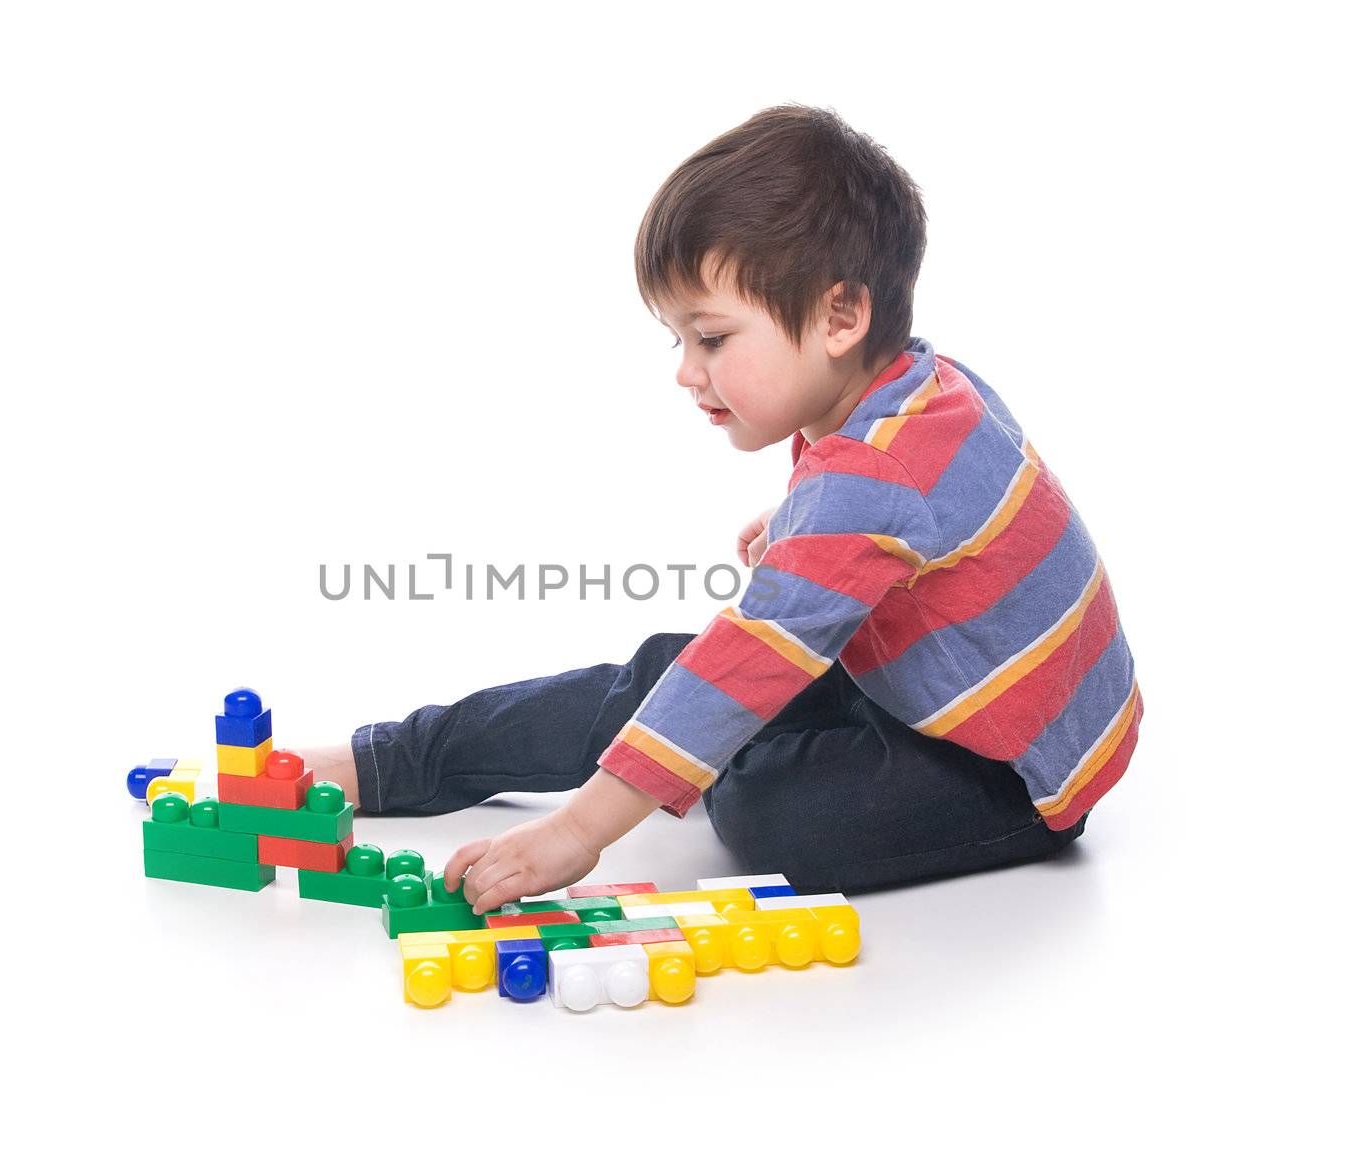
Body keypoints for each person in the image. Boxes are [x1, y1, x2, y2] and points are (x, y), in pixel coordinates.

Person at [294, 104, 1143, 913]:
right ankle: (391, 761)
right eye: (678, 340)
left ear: (840, 315)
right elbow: (943, 517)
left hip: (1012, 772)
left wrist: (581, 830)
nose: (686, 372)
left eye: (712, 338)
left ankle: (687, 752)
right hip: (918, 682)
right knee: (665, 679)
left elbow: (814, 579)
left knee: (772, 811)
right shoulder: (917, 390)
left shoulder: (873, 474)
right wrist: (798, 531)